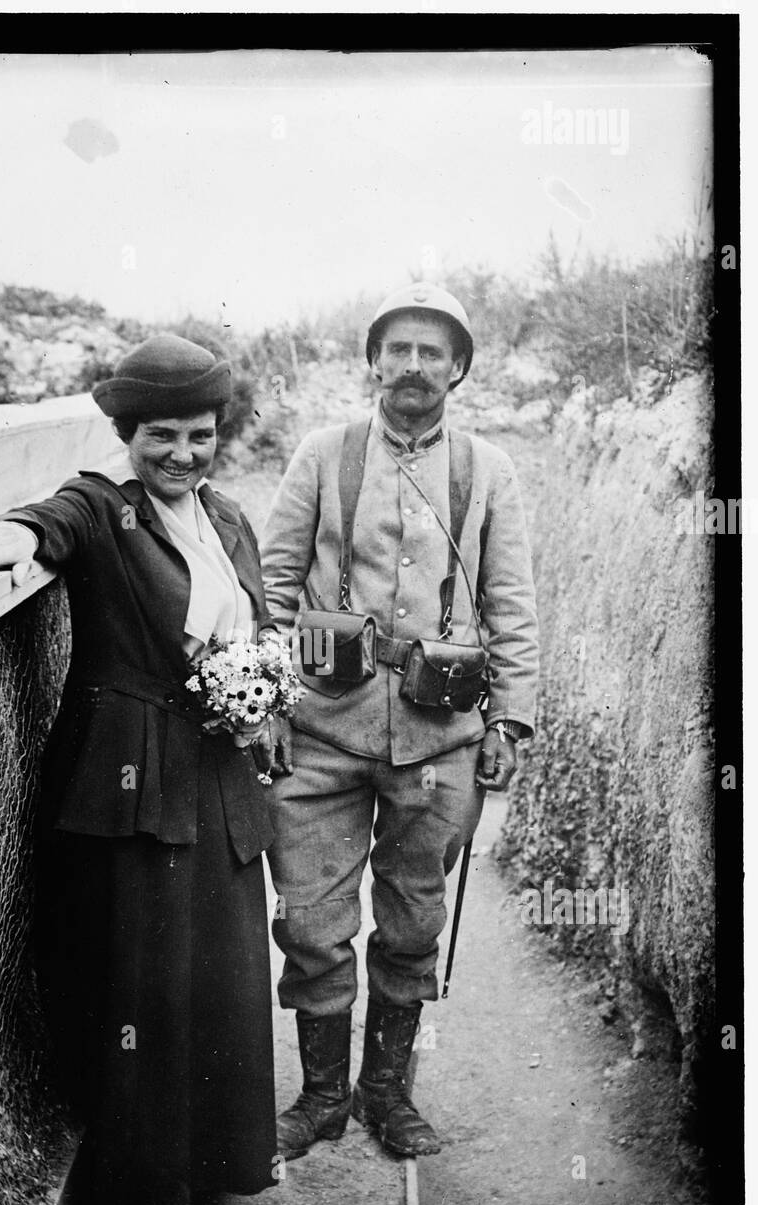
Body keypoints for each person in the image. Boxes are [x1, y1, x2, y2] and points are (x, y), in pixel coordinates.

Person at [0, 333, 278, 1205]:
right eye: (161, 436)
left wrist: (261, 688)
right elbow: (50, 522)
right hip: (131, 776)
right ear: (127, 433)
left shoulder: (227, 518)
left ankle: (218, 1157)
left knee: (219, 964)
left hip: (215, 771)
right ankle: (143, 1184)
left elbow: (253, 621)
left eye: (201, 435)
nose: (183, 455)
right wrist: (9, 536)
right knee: (144, 974)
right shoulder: (103, 505)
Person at [259, 284, 539, 1160]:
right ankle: (322, 1098)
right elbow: (271, 587)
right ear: (373, 359)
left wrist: (512, 722)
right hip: (321, 730)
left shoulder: (488, 469)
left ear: (458, 368)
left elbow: (512, 606)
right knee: (309, 922)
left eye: (434, 352)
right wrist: (268, 702)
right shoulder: (323, 453)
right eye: (400, 349)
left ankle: (388, 1092)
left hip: (440, 739)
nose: (414, 367)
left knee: (415, 924)